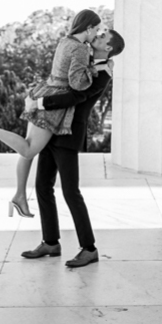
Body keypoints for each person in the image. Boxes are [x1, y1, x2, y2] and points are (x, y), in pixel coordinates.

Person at [0, 9, 110, 217]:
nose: (97, 33)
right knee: (29, 150)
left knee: (28, 148)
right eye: (96, 29)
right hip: (54, 102)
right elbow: (77, 84)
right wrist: (93, 72)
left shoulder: (65, 41)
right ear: (88, 28)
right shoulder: (81, 49)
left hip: (44, 88)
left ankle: (19, 196)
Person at [21, 29, 125, 268]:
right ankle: (50, 242)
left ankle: (89, 249)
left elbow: (75, 97)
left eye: (101, 38)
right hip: (51, 128)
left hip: (68, 134)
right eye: (97, 34)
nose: (96, 38)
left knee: (71, 192)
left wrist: (39, 103)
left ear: (108, 48)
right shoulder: (86, 58)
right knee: (42, 187)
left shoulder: (104, 75)